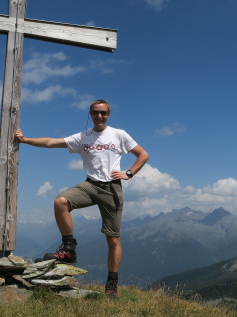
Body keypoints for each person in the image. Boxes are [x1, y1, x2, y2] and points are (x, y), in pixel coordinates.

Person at [14, 99, 149, 298]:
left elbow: (143, 155)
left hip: (111, 188)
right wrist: (25, 140)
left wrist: (129, 173)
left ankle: (111, 285)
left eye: (103, 113)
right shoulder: (83, 137)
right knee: (61, 201)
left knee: (113, 239)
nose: (100, 116)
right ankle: (69, 248)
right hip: (89, 185)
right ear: (90, 114)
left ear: (108, 115)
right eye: (95, 113)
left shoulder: (119, 134)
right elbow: (52, 142)